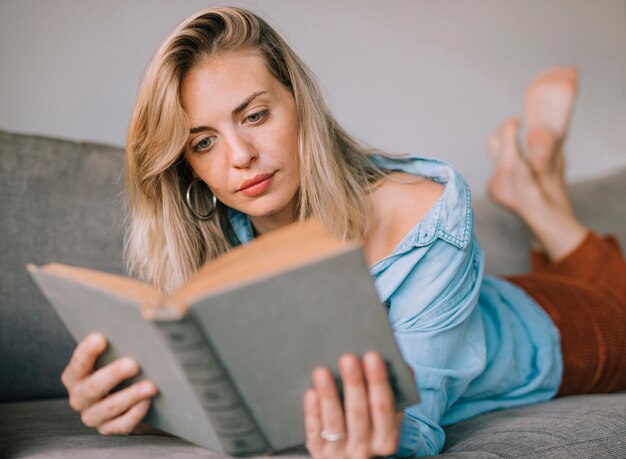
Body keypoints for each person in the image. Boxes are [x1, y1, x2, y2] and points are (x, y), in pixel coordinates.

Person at [59, 7, 626, 458]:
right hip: (497, 303)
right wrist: (133, 402)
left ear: (299, 105)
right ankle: (532, 185)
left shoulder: (422, 212)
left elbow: (417, 424)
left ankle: (538, 195)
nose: (240, 157)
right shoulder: (219, 250)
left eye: (254, 116)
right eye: (203, 142)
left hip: (556, 331)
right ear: (189, 166)